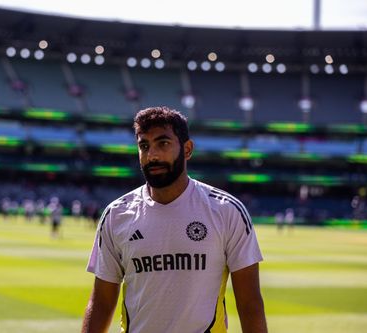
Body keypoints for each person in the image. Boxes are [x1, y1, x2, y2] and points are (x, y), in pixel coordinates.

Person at [82, 107, 267, 333]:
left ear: (187, 149)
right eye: (144, 146)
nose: (153, 155)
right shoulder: (116, 215)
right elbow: (101, 302)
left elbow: (250, 304)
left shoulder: (226, 210)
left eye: (163, 143)